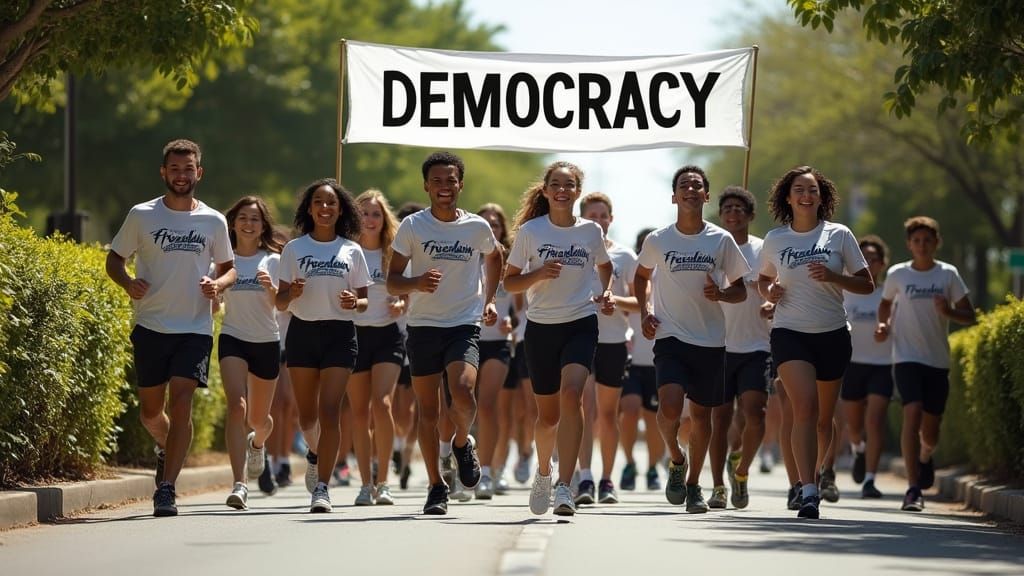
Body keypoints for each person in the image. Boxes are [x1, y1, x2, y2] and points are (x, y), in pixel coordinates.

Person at [106, 139, 235, 517]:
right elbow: (114, 260)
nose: (182, 175)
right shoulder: (142, 215)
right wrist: (128, 281)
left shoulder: (213, 220)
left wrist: (219, 285)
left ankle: (167, 488)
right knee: (150, 412)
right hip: (150, 323)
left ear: (200, 172)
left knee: (182, 403)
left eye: (188, 168)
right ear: (164, 173)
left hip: (194, 327)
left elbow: (229, 268)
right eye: (175, 169)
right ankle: (166, 446)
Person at [387, 151, 502, 515]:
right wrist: (416, 283)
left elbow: (494, 256)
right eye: (436, 180)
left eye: (450, 180)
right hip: (423, 327)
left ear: (460, 184)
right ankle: (437, 486)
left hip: (463, 323)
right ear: (426, 185)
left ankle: (462, 442)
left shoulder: (476, 227)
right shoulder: (413, 227)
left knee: (464, 392)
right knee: (428, 410)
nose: (444, 186)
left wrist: (490, 298)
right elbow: (392, 281)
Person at [757, 165, 874, 519]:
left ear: (821, 198)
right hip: (790, 332)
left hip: (833, 334)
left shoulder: (839, 235)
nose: (806, 195)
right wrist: (770, 291)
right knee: (804, 408)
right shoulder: (776, 239)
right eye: (799, 189)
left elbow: (866, 284)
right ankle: (807, 491)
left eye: (812, 190)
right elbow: (762, 281)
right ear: (788, 197)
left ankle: (823, 472)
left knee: (824, 419)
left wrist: (835, 276)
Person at [634, 165, 749, 514]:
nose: (691, 190)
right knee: (669, 408)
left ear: (706, 195)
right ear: (674, 196)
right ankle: (675, 457)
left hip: (711, 340)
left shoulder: (721, 239)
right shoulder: (658, 239)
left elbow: (740, 290)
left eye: (697, 186)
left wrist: (722, 294)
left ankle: (694, 485)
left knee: (701, 418)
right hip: (670, 336)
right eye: (684, 185)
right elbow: (641, 277)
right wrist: (644, 312)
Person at [504, 161, 614, 517]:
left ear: (577, 192)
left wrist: (607, 292)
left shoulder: (590, 232)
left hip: (581, 322)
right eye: (556, 184)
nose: (562, 190)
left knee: (573, 395)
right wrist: (537, 274)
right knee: (548, 417)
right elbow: (511, 282)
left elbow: (605, 265)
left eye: (569, 185)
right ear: (547, 190)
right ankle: (543, 473)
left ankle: (566, 486)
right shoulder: (531, 232)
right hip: (540, 328)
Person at [276, 178, 371, 513]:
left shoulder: (351, 249)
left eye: (331, 202)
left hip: (339, 335)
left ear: (340, 209)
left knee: (330, 412)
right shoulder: (294, 249)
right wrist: (292, 294)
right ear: (309, 208)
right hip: (302, 333)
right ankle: (315, 452)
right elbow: (279, 302)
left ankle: (322, 487)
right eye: (318, 202)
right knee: (307, 418)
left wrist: (352, 302)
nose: (325, 208)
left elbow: (364, 301)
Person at [875, 216, 975, 512]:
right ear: (909, 244)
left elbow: (969, 315)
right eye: (916, 241)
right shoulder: (898, 274)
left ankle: (925, 455)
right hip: (905, 357)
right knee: (912, 411)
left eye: (927, 240)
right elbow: (884, 303)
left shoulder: (948, 275)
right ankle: (913, 488)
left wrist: (948, 311)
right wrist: (883, 324)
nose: (922, 245)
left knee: (930, 431)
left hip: (936, 360)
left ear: (936, 243)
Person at [709, 186, 773, 510]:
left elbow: (780, 286)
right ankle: (718, 486)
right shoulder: (712, 249)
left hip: (756, 345)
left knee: (755, 414)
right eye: (728, 208)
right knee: (719, 419)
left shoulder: (764, 250)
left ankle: (742, 470)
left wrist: (772, 303)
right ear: (721, 215)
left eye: (740, 209)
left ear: (750, 216)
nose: (733, 214)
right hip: (718, 346)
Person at [219, 196, 284, 509]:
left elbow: (281, 304)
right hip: (232, 337)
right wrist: (212, 296)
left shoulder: (273, 259)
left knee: (260, 419)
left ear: (263, 226)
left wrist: (271, 287)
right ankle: (239, 483)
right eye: (243, 217)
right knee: (236, 407)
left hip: (266, 341)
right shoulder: (224, 259)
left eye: (255, 219)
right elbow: (215, 300)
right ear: (233, 223)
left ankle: (258, 444)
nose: (248, 223)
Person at [575, 192, 639, 505]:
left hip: (613, 341)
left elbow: (641, 302)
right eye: (591, 216)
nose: (598, 221)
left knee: (606, 413)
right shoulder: (573, 250)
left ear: (611, 220)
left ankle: (607, 479)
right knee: (584, 408)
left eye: (603, 216)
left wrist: (617, 303)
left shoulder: (625, 257)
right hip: (579, 338)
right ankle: (584, 476)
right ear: (582, 218)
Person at [348, 189, 405, 506]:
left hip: (387, 335)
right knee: (359, 412)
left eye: (376, 214)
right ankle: (365, 483)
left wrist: (402, 300)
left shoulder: (393, 253)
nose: (370, 219)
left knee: (382, 404)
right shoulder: (345, 251)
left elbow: (407, 290)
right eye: (364, 213)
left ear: (384, 220)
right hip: (354, 337)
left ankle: (384, 482)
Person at [841, 235, 893, 499]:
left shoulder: (889, 294)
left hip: (882, 365)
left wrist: (888, 329)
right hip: (852, 365)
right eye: (863, 259)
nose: (868, 263)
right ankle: (857, 448)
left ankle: (870, 480)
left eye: (873, 259)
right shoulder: (845, 291)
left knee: (875, 421)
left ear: (882, 264)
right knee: (854, 426)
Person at [473, 203, 515, 500]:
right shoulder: (465, 259)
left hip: (499, 343)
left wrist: (512, 321)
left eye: (496, 224)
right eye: (485, 223)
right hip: (466, 338)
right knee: (460, 407)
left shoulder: (512, 263)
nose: (491, 227)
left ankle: (487, 471)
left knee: (488, 405)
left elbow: (524, 309)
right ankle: (457, 461)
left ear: (502, 229)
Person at [619, 227, 664, 492]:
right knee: (629, 411)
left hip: (658, 359)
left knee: (654, 418)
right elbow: (629, 301)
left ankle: (652, 468)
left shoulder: (668, 272)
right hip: (632, 358)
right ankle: (629, 463)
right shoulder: (635, 273)